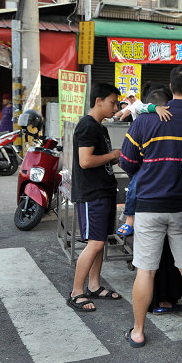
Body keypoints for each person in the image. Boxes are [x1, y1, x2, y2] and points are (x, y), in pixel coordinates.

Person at [119, 63, 182, 348]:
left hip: (148, 206)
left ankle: (138, 331)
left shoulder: (144, 121)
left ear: (171, 88)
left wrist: (147, 173)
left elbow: (127, 161)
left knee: (146, 270)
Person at [67, 83, 123, 311]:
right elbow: (85, 161)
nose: (116, 106)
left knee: (100, 242)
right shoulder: (87, 126)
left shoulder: (100, 128)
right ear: (98, 100)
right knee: (95, 242)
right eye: (113, 102)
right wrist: (112, 155)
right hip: (92, 193)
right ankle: (76, 292)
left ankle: (94, 285)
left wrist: (115, 157)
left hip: (104, 190)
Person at [117, 85, 173, 237]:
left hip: (153, 169)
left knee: (135, 186)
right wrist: (156, 108)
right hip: (148, 166)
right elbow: (141, 107)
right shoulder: (142, 110)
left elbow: (127, 160)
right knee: (133, 188)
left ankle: (129, 220)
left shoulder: (170, 117)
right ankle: (129, 220)